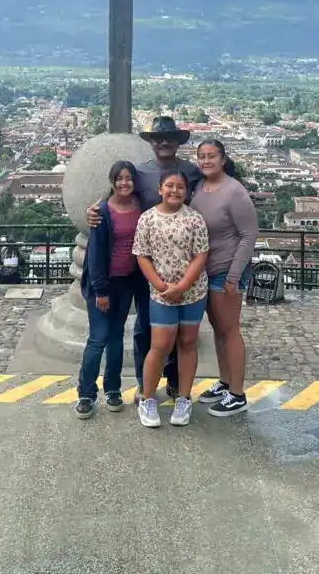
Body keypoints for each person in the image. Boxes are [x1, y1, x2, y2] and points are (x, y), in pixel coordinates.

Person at [86, 117, 200, 403]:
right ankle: (143, 381)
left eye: (170, 138)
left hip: (178, 259)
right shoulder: (139, 172)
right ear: (151, 142)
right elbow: (117, 192)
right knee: (146, 327)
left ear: (178, 142)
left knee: (176, 329)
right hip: (144, 260)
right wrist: (95, 208)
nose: (164, 142)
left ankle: (174, 381)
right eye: (158, 138)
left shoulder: (191, 172)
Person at [132, 170, 209, 428]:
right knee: (160, 345)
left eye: (180, 187)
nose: (174, 191)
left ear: (186, 192)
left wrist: (184, 285)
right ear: (159, 189)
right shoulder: (148, 219)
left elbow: (201, 255)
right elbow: (142, 255)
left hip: (193, 290)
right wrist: (160, 284)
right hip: (162, 292)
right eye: (169, 186)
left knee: (187, 342)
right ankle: (147, 397)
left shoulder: (195, 219)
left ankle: (184, 397)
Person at [190, 138, 258, 417]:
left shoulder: (234, 191)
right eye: (202, 157)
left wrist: (234, 275)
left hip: (225, 271)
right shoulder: (200, 186)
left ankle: (238, 393)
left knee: (230, 331)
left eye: (211, 156)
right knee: (218, 330)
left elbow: (249, 234)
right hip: (206, 270)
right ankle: (225, 381)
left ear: (223, 158)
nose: (206, 161)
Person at [75, 161, 142, 419]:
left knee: (116, 338)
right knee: (98, 338)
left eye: (129, 178)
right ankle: (86, 392)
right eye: (119, 178)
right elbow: (95, 255)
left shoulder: (140, 207)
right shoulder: (102, 211)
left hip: (126, 282)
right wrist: (100, 291)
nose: (124, 182)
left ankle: (113, 389)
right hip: (104, 283)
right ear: (112, 182)